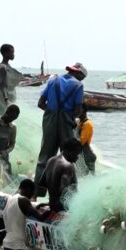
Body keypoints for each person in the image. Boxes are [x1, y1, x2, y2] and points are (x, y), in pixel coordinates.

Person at [35, 62, 87, 195]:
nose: (80, 80)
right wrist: (68, 116)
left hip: (49, 120)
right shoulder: (78, 85)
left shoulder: (53, 80)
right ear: (79, 73)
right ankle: (67, 194)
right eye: (82, 77)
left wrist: (52, 113)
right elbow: (77, 110)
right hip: (66, 120)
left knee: (45, 157)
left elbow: (40, 103)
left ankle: (38, 193)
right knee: (69, 156)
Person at [2, 179, 46, 250]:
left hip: (7, 245)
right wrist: (52, 208)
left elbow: (19, 213)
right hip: (17, 246)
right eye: (33, 192)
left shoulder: (9, 199)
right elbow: (41, 217)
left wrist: (37, 207)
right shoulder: (23, 200)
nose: (32, 195)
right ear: (28, 189)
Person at [39, 138, 82, 213]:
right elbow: (65, 192)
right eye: (76, 154)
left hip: (52, 204)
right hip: (62, 208)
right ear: (68, 151)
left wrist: (52, 200)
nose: (77, 158)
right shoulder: (68, 166)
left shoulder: (51, 160)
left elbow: (42, 183)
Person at [0, 44, 25, 117]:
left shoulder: (7, 66)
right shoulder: (2, 67)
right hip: (0, 99)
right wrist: (6, 100)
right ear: (6, 53)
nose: (13, 54)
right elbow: (2, 85)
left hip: (6, 97)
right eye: (12, 52)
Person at [76, 105, 97, 174]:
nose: (77, 111)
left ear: (84, 111)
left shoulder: (87, 124)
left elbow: (81, 141)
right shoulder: (80, 122)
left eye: (79, 109)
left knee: (91, 178)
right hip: (82, 155)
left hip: (87, 156)